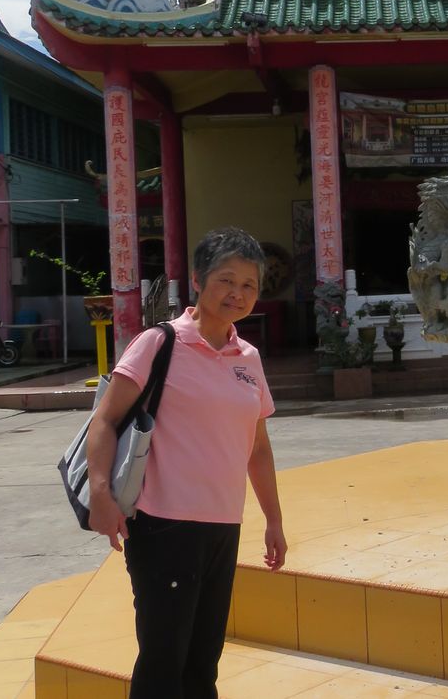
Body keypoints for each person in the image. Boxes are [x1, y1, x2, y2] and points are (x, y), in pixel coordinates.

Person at [86, 227, 286, 698]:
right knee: (163, 663)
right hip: (163, 526)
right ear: (198, 279)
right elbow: (105, 420)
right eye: (226, 280)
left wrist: (274, 520)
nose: (238, 293)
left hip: (223, 526)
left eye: (249, 285)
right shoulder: (159, 343)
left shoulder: (248, 357)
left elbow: (257, 447)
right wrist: (100, 494)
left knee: (202, 662)